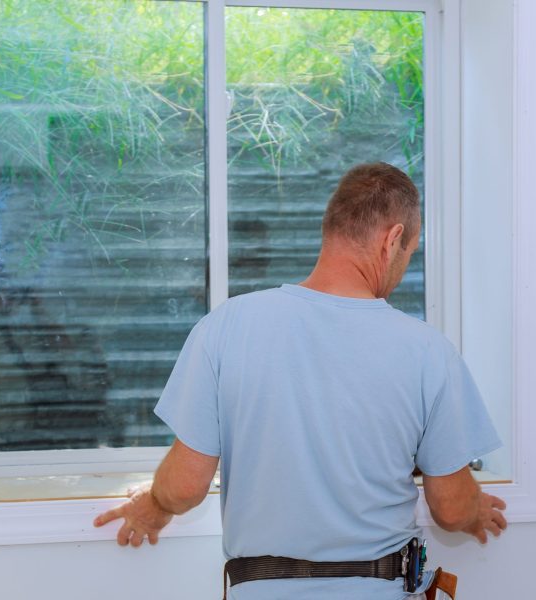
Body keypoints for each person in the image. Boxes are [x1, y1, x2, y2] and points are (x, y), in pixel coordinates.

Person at [94, 162, 508, 600]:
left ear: (330, 229)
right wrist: (475, 510)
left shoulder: (227, 326)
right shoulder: (428, 351)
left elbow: (183, 487)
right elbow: (451, 507)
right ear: (392, 240)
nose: (404, 265)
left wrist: (153, 507)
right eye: (409, 251)